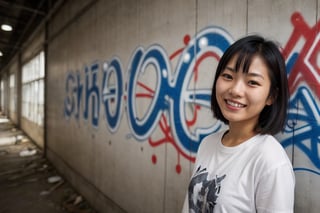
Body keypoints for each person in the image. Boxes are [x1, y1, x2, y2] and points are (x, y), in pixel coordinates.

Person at [182, 35, 295, 213]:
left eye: (252, 82)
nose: (235, 90)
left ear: (271, 96)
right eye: (228, 76)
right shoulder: (208, 144)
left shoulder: (271, 163)